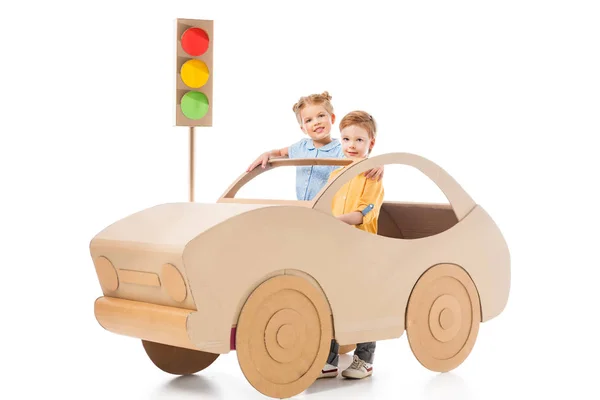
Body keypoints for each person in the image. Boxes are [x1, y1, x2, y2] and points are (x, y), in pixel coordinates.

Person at [319, 110, 384, 380]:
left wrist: (330, 221)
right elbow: (325, 205)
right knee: (330, 300)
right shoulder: (336, 174)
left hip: (362, 248)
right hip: (337, 248)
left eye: (359, 140)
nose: (352, 146)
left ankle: (364, 359)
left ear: (371, 143)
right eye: (346, 139)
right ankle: (329, 359)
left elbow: (361, 214)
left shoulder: (372, 177)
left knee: (362, 302)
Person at [246, 91, 382, 201]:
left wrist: (377, 164)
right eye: (309, 120)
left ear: (332, 118)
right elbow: (280, 153)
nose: (316, 122)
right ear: (303, 128)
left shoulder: (340, 149)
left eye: (321, 116)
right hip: (304, 208)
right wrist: (268, 154)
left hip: (327, 210)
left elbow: (360, 159)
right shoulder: (301, 147)